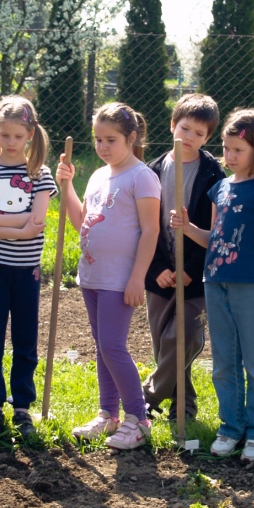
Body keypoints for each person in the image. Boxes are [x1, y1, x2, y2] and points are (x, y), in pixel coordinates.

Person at [172, 110, 254, 465]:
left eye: (238, 150)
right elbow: (215, 238)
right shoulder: (220, 188)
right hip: (215, 280)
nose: (230, 156)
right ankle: (231, 426)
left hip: (251, 283)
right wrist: (188, 228)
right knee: (223, 360)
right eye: (226, 148)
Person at [58, 103, 161, 450]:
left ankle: (138, 419)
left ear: (131, 138)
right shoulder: (99, 176)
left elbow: (151, 230)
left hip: (120, 278)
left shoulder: (141, 177)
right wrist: (66, 186)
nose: (103, 147)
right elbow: (80, 222)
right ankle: (108, 414)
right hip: (93, 275)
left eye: (111, 140)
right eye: (98, 140)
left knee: (113, 346)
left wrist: (137, 278)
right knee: (103, 347)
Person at [0, 97, 55, 440]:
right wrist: (19, 227)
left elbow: (38, 220)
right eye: (5, 135)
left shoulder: (40, 174)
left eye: (18, 136)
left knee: (25, 337)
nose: (11, 141)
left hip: (26, 270)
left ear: (30, 134)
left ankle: (22, 406)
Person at [141, 94, 224, 423]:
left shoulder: (213, 176)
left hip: (196, 276)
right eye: (185, 128)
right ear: (173, 125)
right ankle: (183, 407)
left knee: (184, 338)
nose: (189, 137)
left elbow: (215, 230)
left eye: (199, 133)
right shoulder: (151, 171)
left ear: (207, 138)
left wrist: (190, 269)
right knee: (165, 343)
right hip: (158, 274)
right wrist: (156, 268)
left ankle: (147, 394)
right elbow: (142, 226)